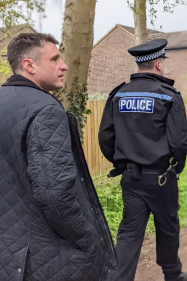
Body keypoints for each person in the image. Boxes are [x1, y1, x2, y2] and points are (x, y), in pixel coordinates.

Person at [0, 33, 117, 281]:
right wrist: (87, 238)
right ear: (29, 66)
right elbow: (55, 193)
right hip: (48, 259)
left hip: (9, 254)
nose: (64, 66)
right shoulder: (45, 109)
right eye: (54, 59)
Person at [98, 38, 187, 281]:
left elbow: (105, 136)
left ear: (140, 65)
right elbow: (179, 142)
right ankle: (173, 275)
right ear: (159, 64)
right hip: (162, 177)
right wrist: (176, 167)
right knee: (167, 227)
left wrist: (122, 164)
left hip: (131, 178)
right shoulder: (169, 96)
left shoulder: (118, 95)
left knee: (129, 233)